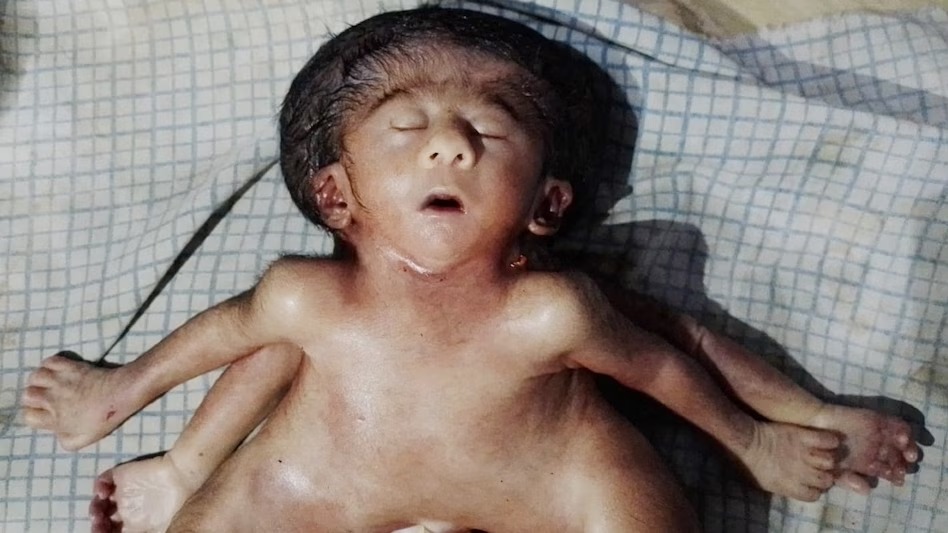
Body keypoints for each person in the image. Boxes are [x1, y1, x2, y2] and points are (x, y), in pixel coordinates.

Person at [21, 6, 920, 532]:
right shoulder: (308, 296)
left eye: (490, 129)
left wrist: (760, 437)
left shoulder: (552, 310)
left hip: (544, 477)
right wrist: (125, 399)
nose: (449, 144)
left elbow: (671, 358)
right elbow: (224, 339)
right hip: (325, 475)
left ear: (546, 203)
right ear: (336, 193)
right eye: (405, 126)